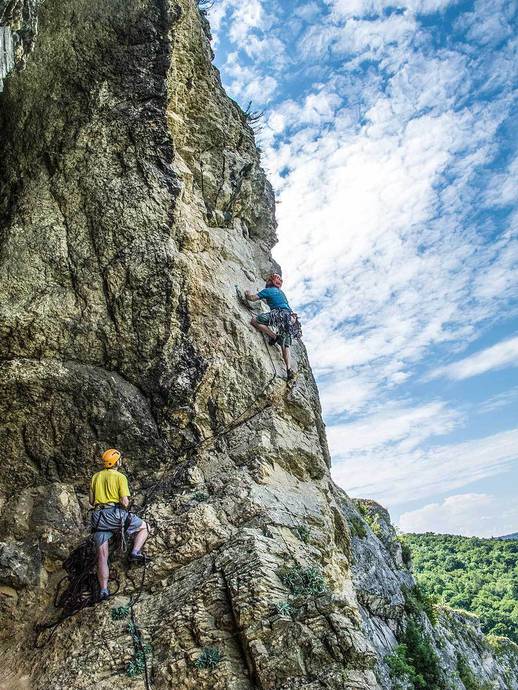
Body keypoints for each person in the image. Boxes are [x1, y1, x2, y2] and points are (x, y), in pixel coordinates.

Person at [89, 448, 150, 601]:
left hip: (98, 517)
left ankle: (103, 590)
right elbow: (124, 501)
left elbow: (91, 501)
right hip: (114, 515)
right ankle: (135, 552)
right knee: (144, 527)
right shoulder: (120, 477)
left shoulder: (95, 477)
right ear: (117, 462)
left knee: (102, 556)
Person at [245, 273, 299, 381]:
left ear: (269, 282)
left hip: (279, 315)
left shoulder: (268, 290)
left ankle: (274, 337)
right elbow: (273, 301)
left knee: (255, 321)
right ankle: (288, 370)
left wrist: (247, 293)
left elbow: (252, 298)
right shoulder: (281, 293)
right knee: (285, 345)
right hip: (290, 319)